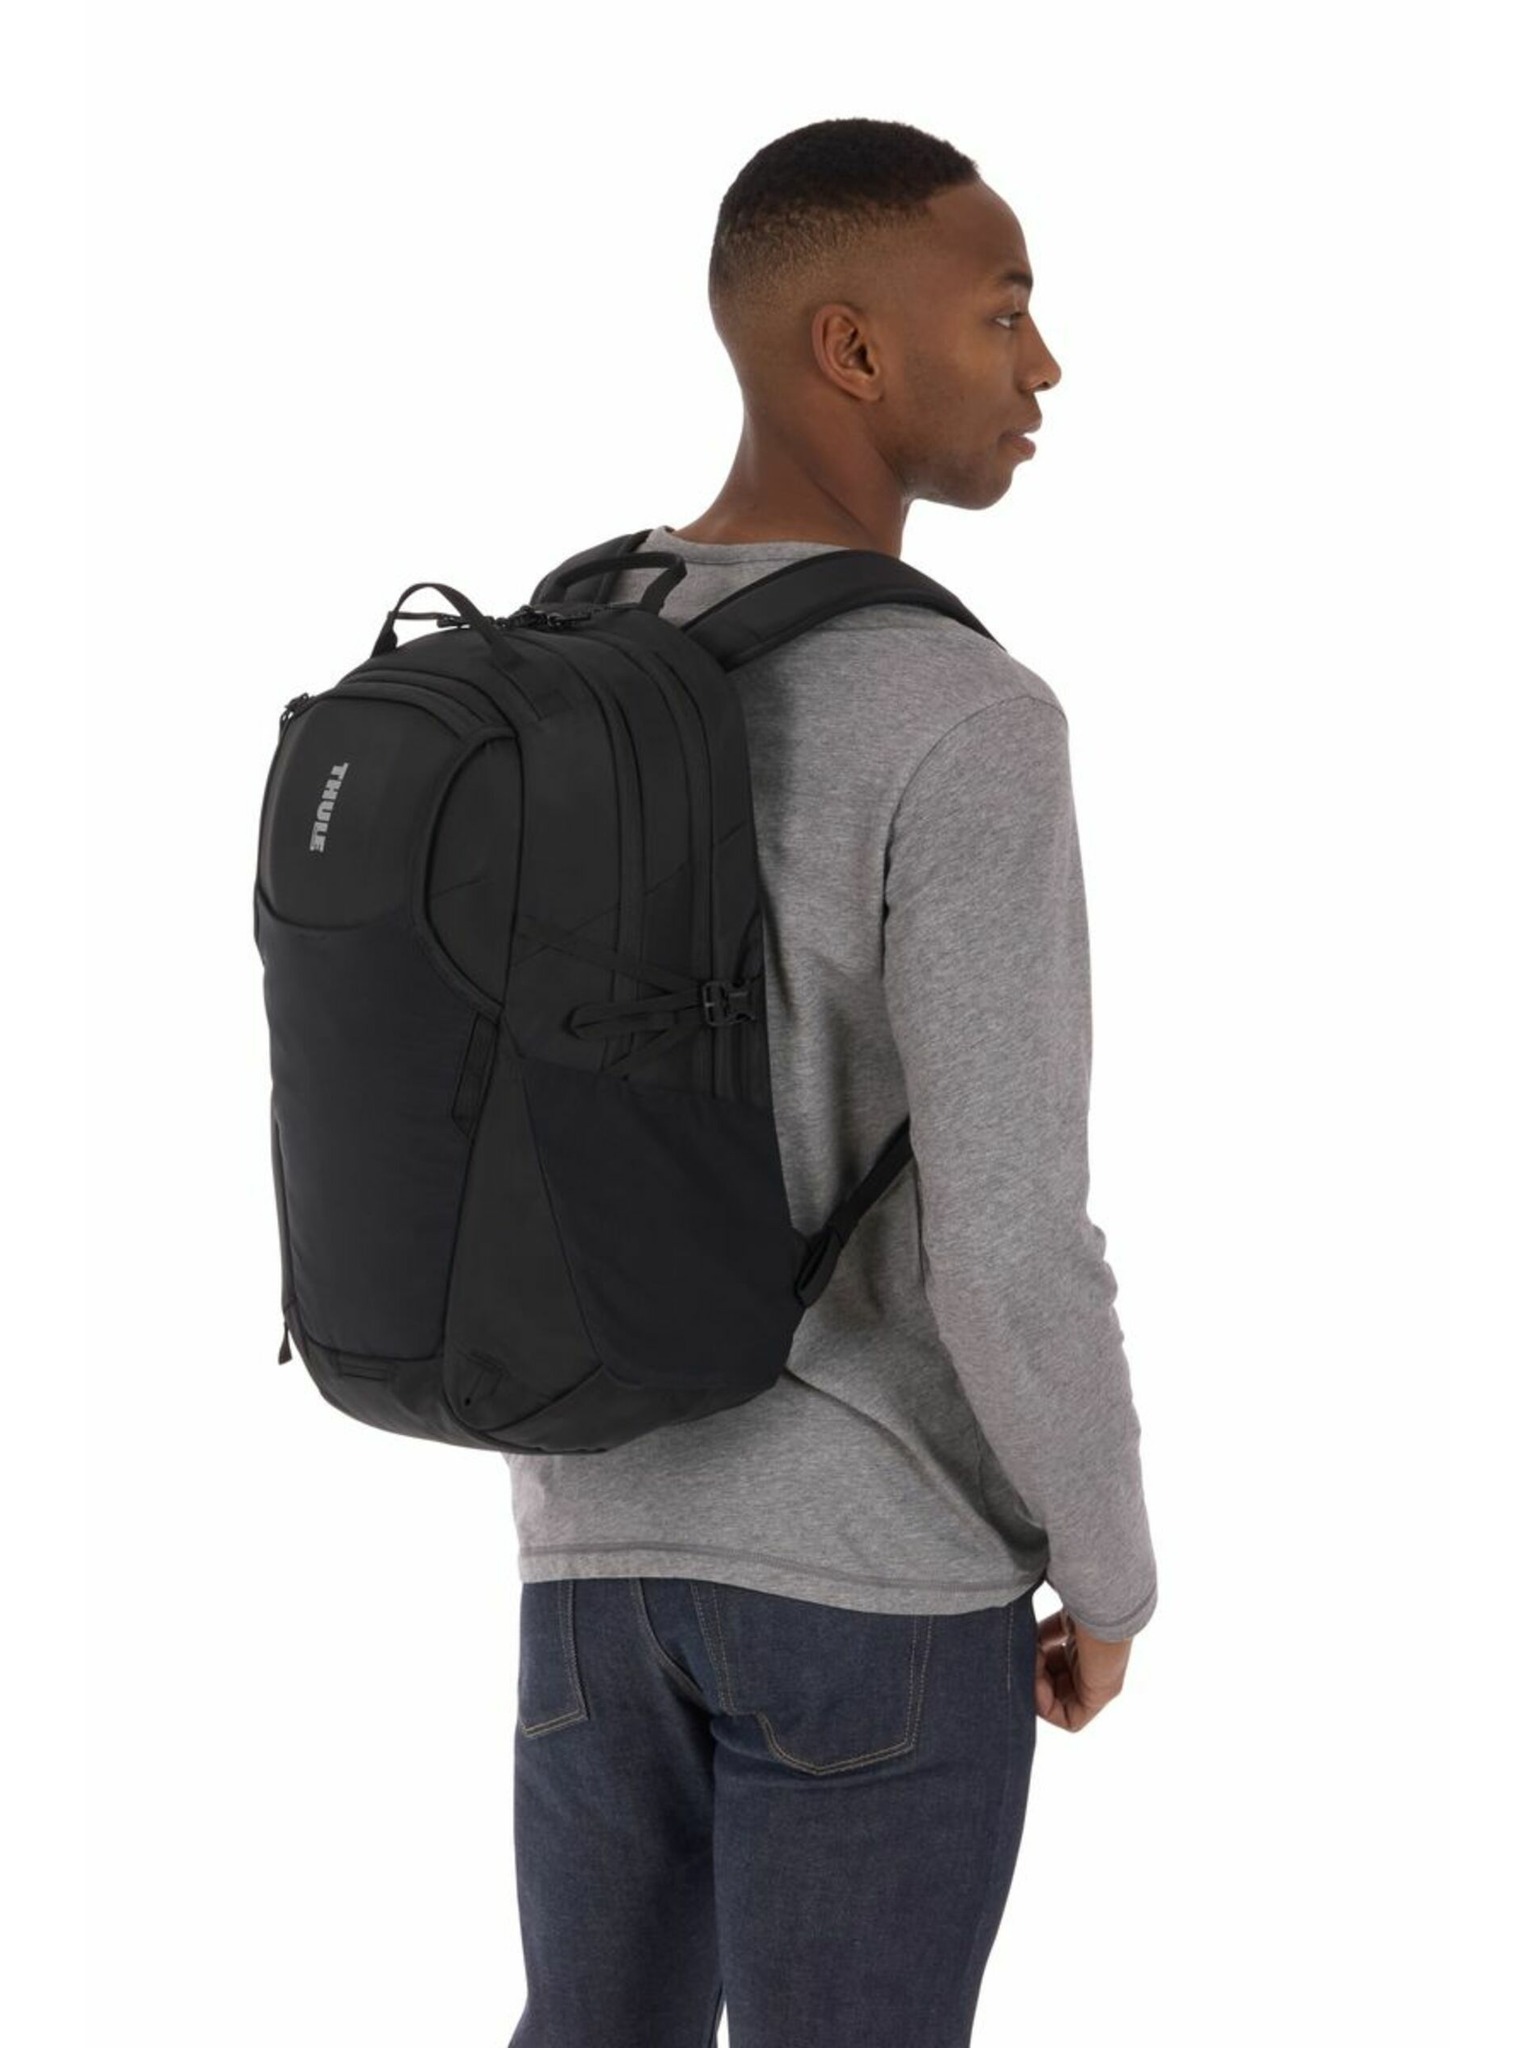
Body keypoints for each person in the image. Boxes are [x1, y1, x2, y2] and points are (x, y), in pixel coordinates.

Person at [504, 116, 1158, 2048]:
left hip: (586, 1562)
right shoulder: (961, 716)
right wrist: (1110, 1573)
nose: (1044, 365)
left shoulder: (567, 647)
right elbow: (1010, 1234)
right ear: (854, 349)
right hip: (873, 1585)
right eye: (1004, 313)